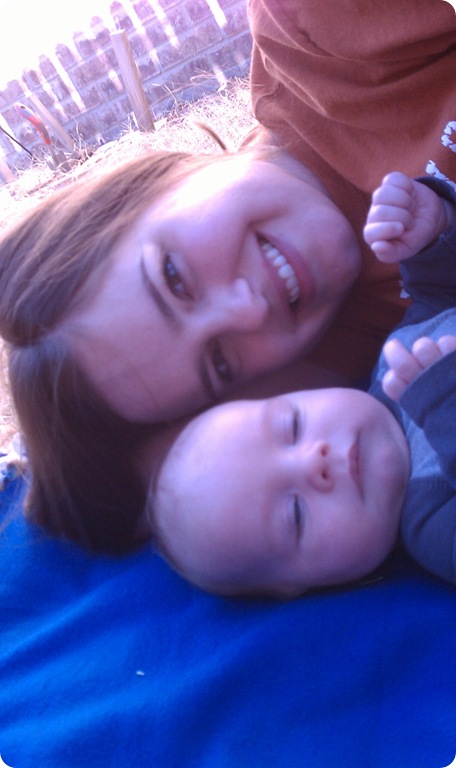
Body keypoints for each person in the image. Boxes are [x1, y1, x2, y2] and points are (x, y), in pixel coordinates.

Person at [2, 0, 456, 553]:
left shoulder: (319, 35)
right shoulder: (363, 366)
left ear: (148, 184)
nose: (249, 310)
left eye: (174, 278)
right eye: (220, 362)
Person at [148, 171, 456, 596]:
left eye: (292, 426)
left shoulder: (392, 362)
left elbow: (441, 296)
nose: (315, 460)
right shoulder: (432, 524)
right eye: (295, 514)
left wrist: (433, 233)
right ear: (307, 587)